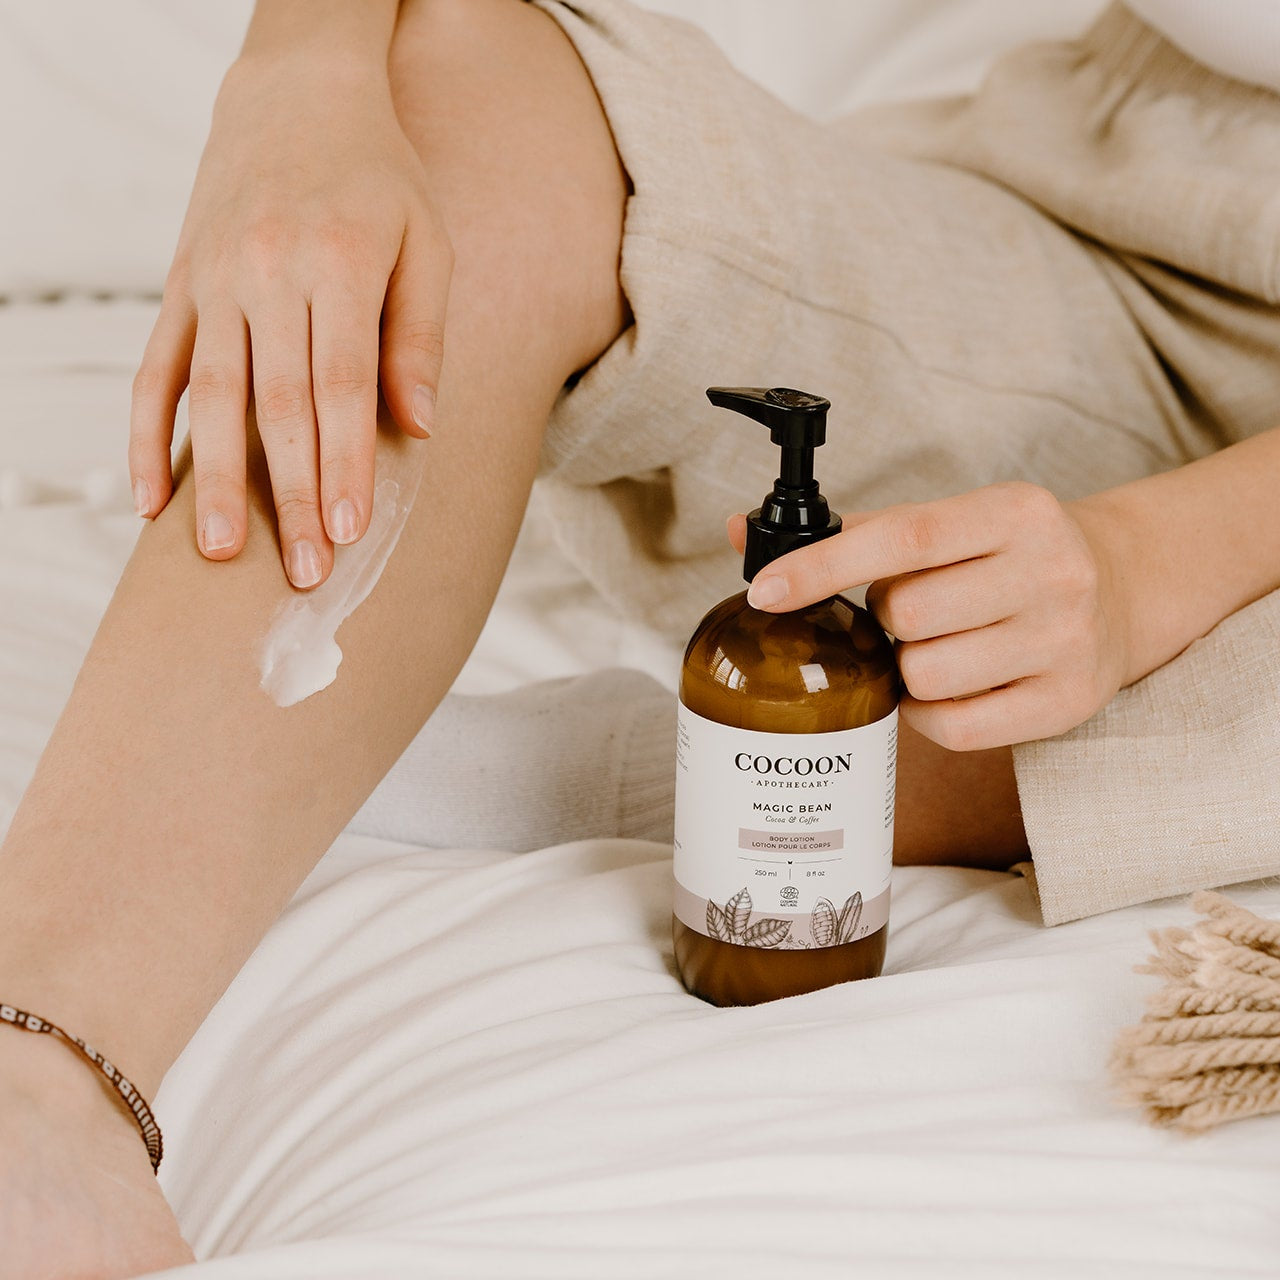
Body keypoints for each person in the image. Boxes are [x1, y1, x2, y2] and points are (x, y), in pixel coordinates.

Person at [3, 0, 1280, 1274]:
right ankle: (34, 1067)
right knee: (466, 82)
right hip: (1131, 208)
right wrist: (296, 76)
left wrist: (1153, 558)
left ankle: (625, 770)